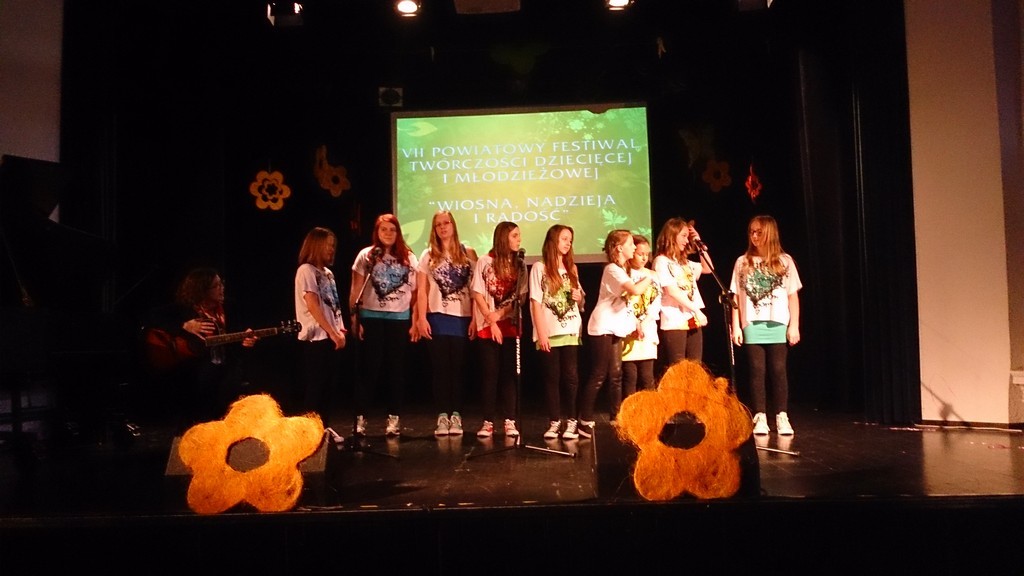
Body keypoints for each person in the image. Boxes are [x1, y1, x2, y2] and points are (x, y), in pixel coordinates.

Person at [145, 267, 257, 429]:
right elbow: (151, 317)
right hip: (194, 368)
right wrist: (184, 325)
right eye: (216, 286)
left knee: (234, 383)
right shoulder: (184, 309)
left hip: (227, 365)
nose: (222, 288)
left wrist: (246, 341)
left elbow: (241, 336)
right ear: (202, 290)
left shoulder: (230, 307)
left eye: (221, 284)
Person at [730, 215, 802, 436]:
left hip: (778, 322)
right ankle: (760, 416)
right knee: (756, 370)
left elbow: (792, 296)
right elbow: (735, 297)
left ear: (770, 233)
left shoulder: (785, 261)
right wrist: (736, 326)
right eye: (751, 232)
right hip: (752, 323)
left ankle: (781, 415)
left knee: (778, 370)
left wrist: (794, 326)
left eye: (759, 232)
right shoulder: (742, 262)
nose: (754, 236)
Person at [577, 230, 654, 438]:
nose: (634, 247)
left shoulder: (622, 269)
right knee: (599, 374)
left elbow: (626, 301)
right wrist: (650, 276)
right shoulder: (612, 269)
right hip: (602, 326)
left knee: (616, 374)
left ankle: (616, 417)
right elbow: (635, 290)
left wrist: (635, 323)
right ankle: (584, 420)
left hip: (615, 327)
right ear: (619, 248)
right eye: (630, 244)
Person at [349, 214, 418, 438]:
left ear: (398, 233)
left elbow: (416, 291)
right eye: (383, 229)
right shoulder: (366, 256)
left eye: (392, 230)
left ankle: (393, 418)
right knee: (369, 369)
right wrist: (354, 318)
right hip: (371, 317)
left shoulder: (409, 257)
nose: (388, 233)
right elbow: (356, 288)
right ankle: (360, 418)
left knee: (396, 370)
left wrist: (414, 319)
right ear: (376, 232)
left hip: (399, 318)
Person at [416, 210, 477, 437]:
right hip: (437, 317)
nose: (443, 227)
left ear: (453, 225)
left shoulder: (467, 252)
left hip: (462, 318)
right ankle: (442, 416)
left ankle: (456, 416)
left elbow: (475, 289)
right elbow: (421, 291)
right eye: (438, 224)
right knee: (441, 369)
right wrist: (421, 318)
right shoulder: (428, 255)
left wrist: (475, 319)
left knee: (458, 369)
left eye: (446, 223)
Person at [471, 221, 528, 438]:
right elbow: (477, 293)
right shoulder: (485, 261)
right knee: (490, 374)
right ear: (504, 238)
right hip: (488, 326)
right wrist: (492, 320)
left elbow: (521, 298)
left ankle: (510, 420)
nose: (519, 240)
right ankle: (488, 421)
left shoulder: (520, 265)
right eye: (514, 235)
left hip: (510, 325)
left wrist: (501, 314)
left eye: (519, 235)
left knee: (509, 375)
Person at [529, 224, 585, 440]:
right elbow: (535, 302)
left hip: (570, 329)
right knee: (551, 378)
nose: (568, 243)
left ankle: (571, 421)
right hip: (549, 330)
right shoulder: (539, 268)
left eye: (570, 239)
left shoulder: (572, 269)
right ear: (553, 241)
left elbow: (580, 302)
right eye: (564, 239)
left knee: (571, 377)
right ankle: (554, 421)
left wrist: (580, 298)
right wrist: (541, 333)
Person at [294, 227, 347, 439]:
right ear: (316, 245)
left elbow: (333, 305)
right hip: (316, 338)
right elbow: (313, 305)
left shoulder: (328, 274)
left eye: (333, 246)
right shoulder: (306, 271)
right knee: (316, 387)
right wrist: (331, 332)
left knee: (328, 387)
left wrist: (340, 329)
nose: (332, 250)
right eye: (328, 245)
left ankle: (323, 428)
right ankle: (309, 434)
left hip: (331, 337)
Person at [653, 217, 712, 374]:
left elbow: (708, 268)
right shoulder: (661, 261)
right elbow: (671, 291)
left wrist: (699, 244)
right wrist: (697, 310)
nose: (687, 241)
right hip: (674, 320)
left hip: (693, 319)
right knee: (678, 367)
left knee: (695, 367)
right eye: (683, 236)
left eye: (688, 236)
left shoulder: (684, 262)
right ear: (672, 236)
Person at [621, 234, 661, 399]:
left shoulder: (653, 275)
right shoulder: (624, 274)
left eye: (647, 254)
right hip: (628, 329)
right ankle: (629, 411)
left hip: (648, 329)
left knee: (647, 376)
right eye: (640, 254)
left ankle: (650, 412)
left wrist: (644, 323)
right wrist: (634, 323)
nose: (644, 257)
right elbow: (624, 301)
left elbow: (656, 301)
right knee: (630, 376)